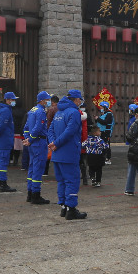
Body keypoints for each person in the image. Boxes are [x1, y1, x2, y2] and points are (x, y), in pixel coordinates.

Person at [48, 89, 87, 219]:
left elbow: (50, 129)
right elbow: (70, 131)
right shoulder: (74, 112)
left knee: (61, 181)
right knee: (72, 180)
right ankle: (71, 209)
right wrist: (57, 143)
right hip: (69, 152)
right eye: (80, 100)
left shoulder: (59, 112)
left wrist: (53, 143)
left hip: (57, 153)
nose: (80, 102)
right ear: (76, 100)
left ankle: (63, 207)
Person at [22, 91, 52, 204]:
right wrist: (30, 139)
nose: (48, 102)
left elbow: (26, 127)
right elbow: (38, 128)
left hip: (32, 143)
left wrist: (27, 138)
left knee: (32, 168)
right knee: (38, 169)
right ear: (42, 100)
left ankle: (30, 194)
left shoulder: (32, 110)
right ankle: (36, 195)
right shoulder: (41, 112)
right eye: (47, 100)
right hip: (39, 142)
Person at [0, 92, 18, 193]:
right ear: (8, 100)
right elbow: (1, 126)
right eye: (13, 100)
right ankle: (3, 184)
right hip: (4, 141)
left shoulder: (0, 110)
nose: (14, 102)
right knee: (3, 163)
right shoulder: (6, 111)